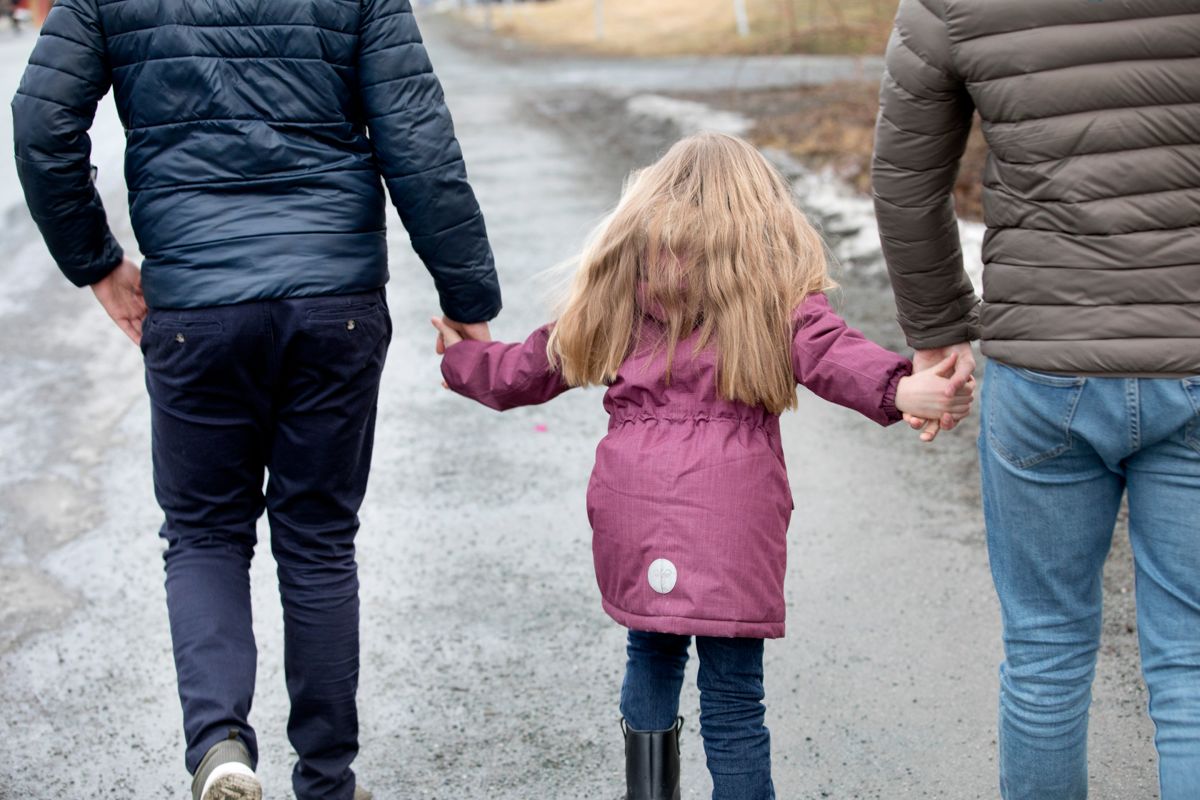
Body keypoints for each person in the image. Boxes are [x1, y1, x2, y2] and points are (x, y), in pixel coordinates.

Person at [12, 1, 500, 798]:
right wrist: (468, 295)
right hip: (333, 299)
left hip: (195, 304)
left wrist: (96, 262)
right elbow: (419, 138)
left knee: (205, 532)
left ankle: (220, 747)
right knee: (316, 540)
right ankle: (328, 780)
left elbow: (40, 121)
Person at [432, 132, 974, 800]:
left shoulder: (621, 288)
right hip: (733, 505)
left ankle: (649, 792)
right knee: (735, 696)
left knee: (651, 651)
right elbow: (832, 354)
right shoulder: (772, 288)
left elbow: (532, 366)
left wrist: (461, 358)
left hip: (632, 498)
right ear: (761, 211)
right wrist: (901, 389)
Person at [871, 1, 1200, 798]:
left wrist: (938, 330)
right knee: (1191, 657)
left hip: (1045, 364)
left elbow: (906, 177)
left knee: (1045, 648)